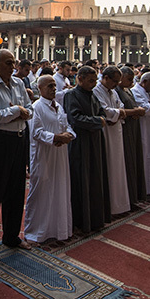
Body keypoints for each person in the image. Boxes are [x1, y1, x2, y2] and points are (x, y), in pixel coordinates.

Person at [0, 49, 33, 265]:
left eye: (14, 63)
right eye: (9, 63)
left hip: (18, 139)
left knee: (16, 190)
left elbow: (29, 110)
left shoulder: (19, 84)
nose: (13, 67)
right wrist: (16, 111)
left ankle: (11, 236)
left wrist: (15, 111)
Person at [24, 75, 74, 243]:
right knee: (40, 192)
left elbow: (66, 125)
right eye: (50, 86)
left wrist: (68, 135)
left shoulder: (58, 106)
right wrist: (56, 138)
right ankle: (35, 232)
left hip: (60, 155)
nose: (54, 88)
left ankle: (58, 229)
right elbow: (36, 132)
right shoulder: (36, 107)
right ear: (40, 88)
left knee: (59, 188)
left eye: (54, 85)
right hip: (43, 155)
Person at [64, 65, 111, 232]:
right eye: (90, 81)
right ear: (80, 79)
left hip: (95, 141)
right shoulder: (71, 95)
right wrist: (98, 122)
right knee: (80, 180)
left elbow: (101, 112)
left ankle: (95, 218)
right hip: (80, 143)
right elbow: (75, 118)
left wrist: (100, 119)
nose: (94, 84)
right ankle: (81, 220)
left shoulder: (92, 95)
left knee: (95, 178)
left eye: (95, 80)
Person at [93, 66, 131, 215]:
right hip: (105, 131)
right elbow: (105, 111)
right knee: (108, 165)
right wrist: (118, 113)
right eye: (114, 81)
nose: (116, 84)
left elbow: (119, 106)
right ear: (106, 78)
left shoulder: (113, 91)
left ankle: (119, 204)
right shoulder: (97, 90)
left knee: (117, 166)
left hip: (116, 131)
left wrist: (118, 113)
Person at [116, 66, 147, 205]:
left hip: (133, 128)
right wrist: (134, 111)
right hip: (124, 129)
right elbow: (120, 110)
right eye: (128, 79)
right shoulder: (116, 91)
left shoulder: (127, 90)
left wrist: (136, 111)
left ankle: (135, 195)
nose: (131, 82)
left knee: (134, 159)